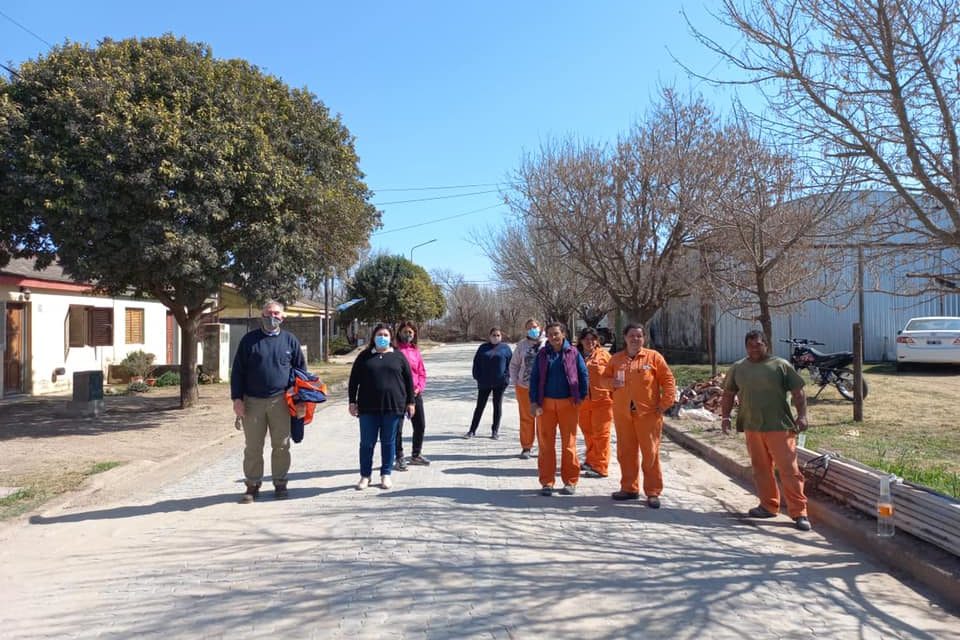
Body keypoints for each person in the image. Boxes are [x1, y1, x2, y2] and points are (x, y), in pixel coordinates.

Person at [720, 329, 812, 531]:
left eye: (759, 344)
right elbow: (728, 394)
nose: (755, 348)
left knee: (789, 470)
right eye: (751, 345)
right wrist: (725, 417)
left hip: (779, 426)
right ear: (746, 347)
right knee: (761, 468)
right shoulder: (738, 368)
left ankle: (799, 513)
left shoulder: (780, 365)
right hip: (752, 426)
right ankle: (768, 505)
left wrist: (803, 415)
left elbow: (799, 392)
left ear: (766, 345)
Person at [231, 300, 306, 504]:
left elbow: (301, 372)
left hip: (281, 401)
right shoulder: (249, 341)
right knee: (253, 446)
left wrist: (300, 400)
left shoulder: (290, 341)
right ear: (261, 315)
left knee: (281, 445)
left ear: (283, 317)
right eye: (268, 313)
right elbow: (237, 371)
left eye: (276, 313)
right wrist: (237, 399)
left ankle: (280, 483)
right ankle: (252, 486)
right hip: (252, 401)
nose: (272, 317)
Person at [602, 323, 676, 508]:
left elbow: (668, 380)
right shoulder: (616, 359)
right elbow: (603, 380)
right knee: (626, 452)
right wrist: (613, 383)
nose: (635, 339)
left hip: (648, 415)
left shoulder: (653, 357)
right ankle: (629, 488)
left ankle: (652, 492)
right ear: (625, 338)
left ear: (644, 339)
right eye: (631, 336)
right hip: (623, 414)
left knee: (650, 453)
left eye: (639, 336)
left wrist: (664, 404)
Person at [348, 324, 416, 490]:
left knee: (388, 442)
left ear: (390, 337)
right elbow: (353, 380)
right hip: (367, 408)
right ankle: (365, 476)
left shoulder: (398, 356)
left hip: (393, 408)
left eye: (386, 335)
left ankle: (386, 474)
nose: (383, 338)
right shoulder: (364, 356)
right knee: (366, 443)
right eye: (380, 334)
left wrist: (411, 402)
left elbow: (409, 381)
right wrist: (352, 401)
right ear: (373, 337)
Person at [529, 321, 589, 496]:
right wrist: (534, 401)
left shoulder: (573, 352)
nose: (553, 337)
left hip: (568, 404)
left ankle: (570, 481)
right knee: (546, 444)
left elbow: (583, 373)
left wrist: (581, 396)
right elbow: (534, 378)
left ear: (563, 334)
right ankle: (547, 482)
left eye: (556, 333)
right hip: (545, 404)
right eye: (550, 334)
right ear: (546, 336)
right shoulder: (542, 354)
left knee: (569, 444)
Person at [577, 327, 614, 479]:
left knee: (602, 434)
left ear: (597, 341)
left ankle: (601, 466)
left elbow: (614, 376)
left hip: (603, 401)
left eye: (593, 339)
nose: (589, 342)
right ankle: (591, 460)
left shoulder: (605, 356)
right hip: (582, 402)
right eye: (586, 339)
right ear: (581, 340)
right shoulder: (575, 355)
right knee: (588, 433)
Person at [508, 318, 546, 459]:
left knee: (543, 418)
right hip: (524, 387)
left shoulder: (547, 343)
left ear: (540, 327)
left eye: (535, 326)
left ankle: (544, 447)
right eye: (529, 327)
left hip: (544, 389)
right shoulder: (522, 345)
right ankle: (526, 447)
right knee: (526, 418)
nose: (533, 329)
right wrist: (516, 381)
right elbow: (514, 365)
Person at [466, 326, 513, 439]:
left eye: (498, 335)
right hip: (484, 382)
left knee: (497, 407)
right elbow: (476, 363)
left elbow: (511, 365)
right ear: (489, 336)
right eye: (494, 335)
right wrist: (477, 377)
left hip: (499, 383)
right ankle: (472, 430)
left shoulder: (505, 348)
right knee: (479, 406)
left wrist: (506, 379)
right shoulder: (483, 348)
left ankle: (495, 431)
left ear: (501, 337)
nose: (496, 337)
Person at [393, 320, 429, 468]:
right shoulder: (394, 351)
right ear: (399, 333)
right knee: (398, 428)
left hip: (415, 394)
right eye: (404, 332)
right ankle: (399, 456)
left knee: (420, 425)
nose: (407, 335)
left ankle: (416, 454)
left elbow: (421, 373)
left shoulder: (416, 351)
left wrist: (419, 387)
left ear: (414, 335)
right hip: (399, 395)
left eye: (410, 332)